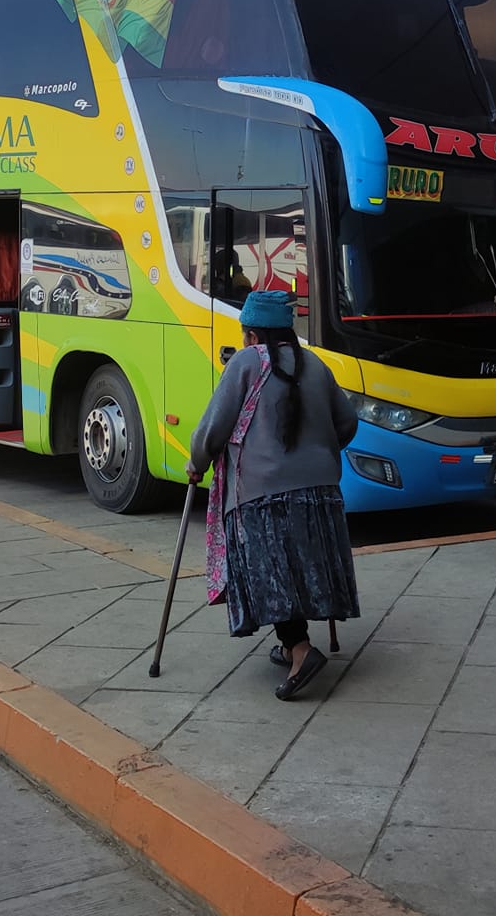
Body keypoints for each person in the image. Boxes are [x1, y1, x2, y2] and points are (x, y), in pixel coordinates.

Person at [189, 290, 360, 700]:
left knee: (273, 574)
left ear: (252, 335)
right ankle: (289, 645)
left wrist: (198, 461)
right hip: (321, 492)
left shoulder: (246, 363)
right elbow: (348, 423)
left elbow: (213, 427)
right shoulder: (316, 365)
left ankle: (301, 651)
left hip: (263, 493)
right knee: (301, 567)